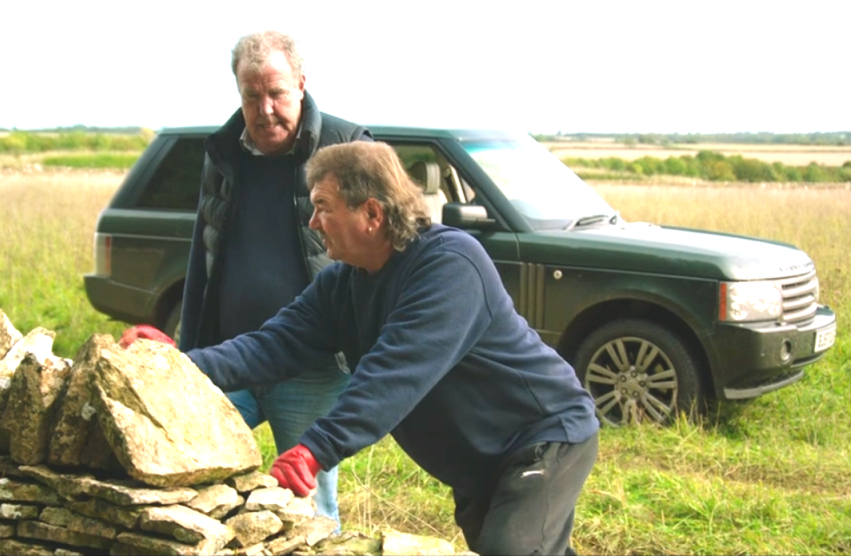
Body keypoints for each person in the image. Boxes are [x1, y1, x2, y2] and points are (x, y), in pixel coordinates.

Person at [174, 141, 601, 555]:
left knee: (511, 550)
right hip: (480, 463)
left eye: (323, 206)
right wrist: (174, 364)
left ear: (372, 213)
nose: (313, 222)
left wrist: (316, 449)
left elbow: (396, 370)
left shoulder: (450, 264)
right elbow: (272, 344)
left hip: (542, 436)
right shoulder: (342, 284)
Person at [122, 30, 371, 525]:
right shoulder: (223, 153)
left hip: (312, 367)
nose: (265, 109)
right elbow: (203, 258)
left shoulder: (347, 147)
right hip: (231, 357)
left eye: (276, 93)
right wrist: (187, 357)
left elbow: (379, 255)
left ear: (301, 84)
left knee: (310, 507)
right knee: (188, 480)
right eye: (251, 95)